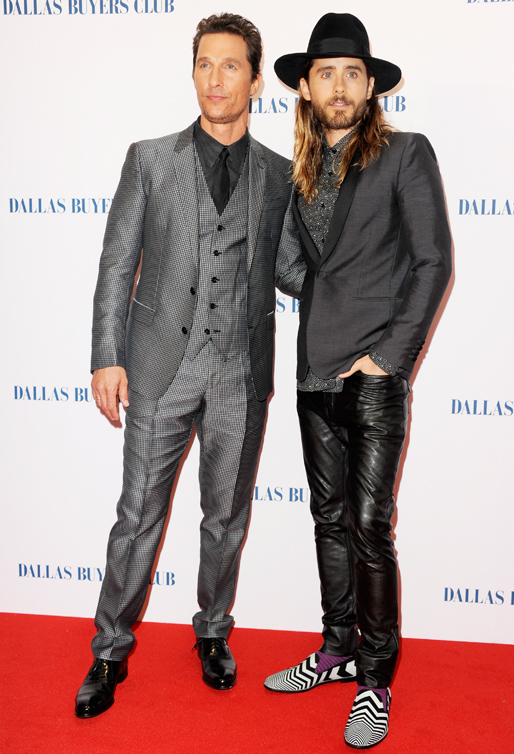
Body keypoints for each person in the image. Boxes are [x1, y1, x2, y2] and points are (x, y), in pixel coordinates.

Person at [75, 12, 304, 719]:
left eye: (231, 65)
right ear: (193, 72)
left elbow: (291, 269)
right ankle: (109, 650)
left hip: (240, 372)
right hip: (157, 369)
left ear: (255, 81)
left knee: (225, 517)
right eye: (205, 63)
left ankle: (212, 632)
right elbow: (117, 263)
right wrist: (107, 357)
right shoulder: (149, 159)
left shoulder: (279, 173)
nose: (215, 78)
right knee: (137, 516)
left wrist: (359, 260)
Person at [264, 13, 452, 749]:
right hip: (313, 372)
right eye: (325, 75)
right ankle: (337, 648)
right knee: (328, 518)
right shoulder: (301, 170)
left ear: (370, 86)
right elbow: (301, 269)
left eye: (351, 74)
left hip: (372, 375)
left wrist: (388, 359)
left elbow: (433, 262)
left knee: (370, 527)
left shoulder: (406, 153)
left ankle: (375, 678)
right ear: (306, 90)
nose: (338, 87)